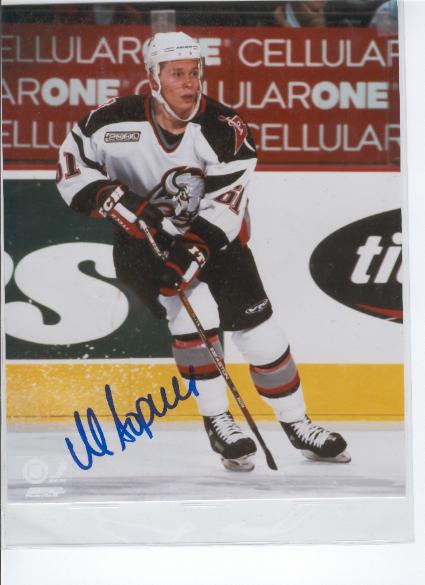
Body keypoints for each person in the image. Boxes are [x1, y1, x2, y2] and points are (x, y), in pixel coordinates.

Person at [56, 31, 351, 471]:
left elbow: (228, 207)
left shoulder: (224, 128)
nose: (189, 82)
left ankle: (297, 422)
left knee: (261, 334)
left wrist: (192, 252)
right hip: (143, 243)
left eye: (194, 72)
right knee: (194, 315)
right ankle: (218, 421)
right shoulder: (109, 122)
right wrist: (110, 198)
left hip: (215, 240)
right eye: (177, 73)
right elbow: (71, 168)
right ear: (153, 78)